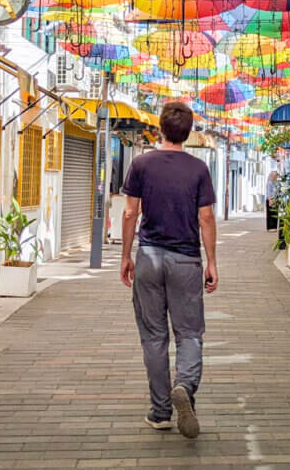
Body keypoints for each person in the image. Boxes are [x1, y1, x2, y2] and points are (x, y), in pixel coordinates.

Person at [120, 101, 217, 439]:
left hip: (148, 257)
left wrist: (125, 256)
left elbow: (130, 213)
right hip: (187, 260)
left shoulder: (141, 164)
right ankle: (185, 388)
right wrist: (212, 261)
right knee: (189, 333)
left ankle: (160, 411)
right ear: (188, 133)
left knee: (154, 337)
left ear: (160, 129)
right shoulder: (199, 169)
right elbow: (205, 218)